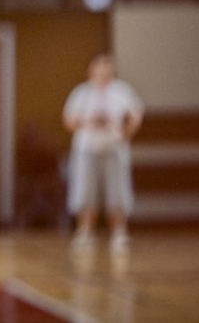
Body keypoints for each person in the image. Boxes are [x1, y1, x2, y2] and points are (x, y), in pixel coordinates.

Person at [63, 53, 144, 256]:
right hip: (87, 149)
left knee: (117, 190)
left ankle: (119, 233)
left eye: (106, 68)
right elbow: (68, 120)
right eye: (99, 68)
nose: (102, 72)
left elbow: (136, 115)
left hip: (113, 148)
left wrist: (124, 134)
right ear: (91, 71)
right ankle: (85, 232)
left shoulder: (122, 91)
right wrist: (88, 123)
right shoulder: (81, 93)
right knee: (85, 190)